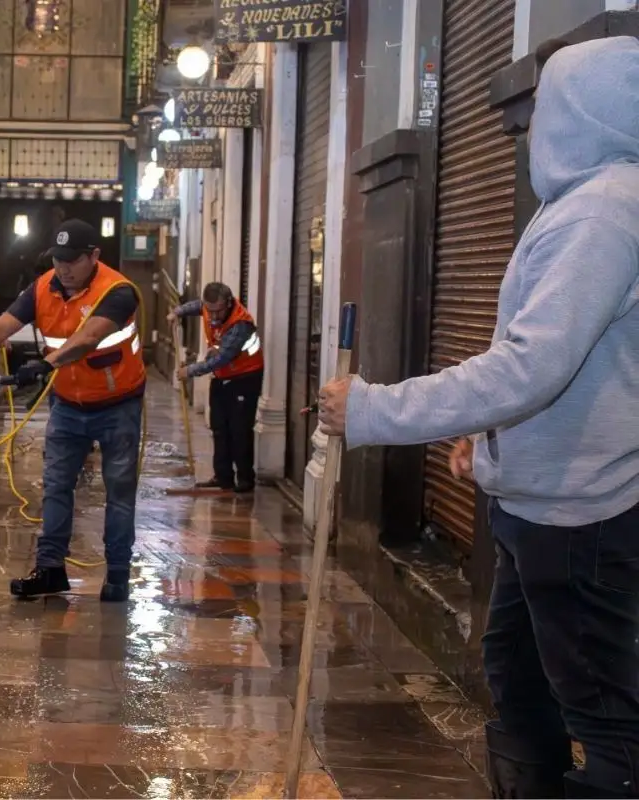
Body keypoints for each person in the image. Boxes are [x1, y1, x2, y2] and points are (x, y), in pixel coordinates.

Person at [315, 37, 639, 799]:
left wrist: (374, 409)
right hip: (547, 505)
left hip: (578, 518)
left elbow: (531, 366)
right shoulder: (594, 205)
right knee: (524, 698)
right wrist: (494, 446)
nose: (525, 132)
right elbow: (578, 371)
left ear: (580, 111)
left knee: (600, 720)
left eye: (539, 110)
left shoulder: (602, 214)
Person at [0, 219, 144, 602]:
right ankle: (50, 569)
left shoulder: (118, 292)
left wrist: (47, 363)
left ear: (94, 256)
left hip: (118, 405)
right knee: (56, 486)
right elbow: (4, 323)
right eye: (58, 259)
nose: (64, 268)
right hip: (69, 404)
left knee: (118, 491)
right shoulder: (42, 288)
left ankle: (117, 575)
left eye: (72, 260)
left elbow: (88, 337)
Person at [168, 282, 264, 493]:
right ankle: (223, 477)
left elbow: (221, 359)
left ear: (228, 303)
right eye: (209, 311)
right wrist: (178, 312)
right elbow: (197, 306)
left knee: (238, 430)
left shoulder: (240, 324)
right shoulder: (210, 307)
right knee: (219, 428)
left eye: (217, 311)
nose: (211, 316)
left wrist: (190, 371)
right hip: (223, 377)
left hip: (244, 378)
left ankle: (245, 480)